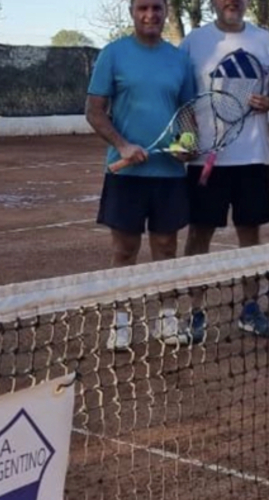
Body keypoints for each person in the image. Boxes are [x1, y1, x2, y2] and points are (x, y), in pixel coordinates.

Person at [85, 0, 197, 350]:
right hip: (126, 174)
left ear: (165, 12)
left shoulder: (179, 59)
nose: (150, 15)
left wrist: (187, 144)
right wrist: (122, 145)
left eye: (157, 8)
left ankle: (166, 317)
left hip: (168, 174)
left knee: (166, 248)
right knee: (124, 250)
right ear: (132, 12)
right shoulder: (113, 54)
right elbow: (94, 111)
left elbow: (188, 114)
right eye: (143, 8)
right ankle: (120, 321)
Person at [178, 0, 269, 340]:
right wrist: (187, 139)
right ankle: (195, 313)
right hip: (205, 160)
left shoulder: (264, 41)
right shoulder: (193, 42)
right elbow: (182, 98)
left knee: (250, 236)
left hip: (252, 158)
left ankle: (250, 309)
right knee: (198, 235)